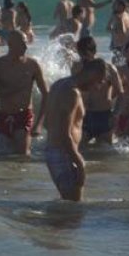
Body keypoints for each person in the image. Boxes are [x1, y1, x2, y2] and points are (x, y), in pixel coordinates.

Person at [43, 58, 106, 201]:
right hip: (64, 154)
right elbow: (66, 133)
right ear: (93, 75)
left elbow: (48, 123)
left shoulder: (58, 85)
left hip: (53, 151)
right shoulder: (72, 93)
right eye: (99, 81)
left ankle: (52, 222)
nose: (98, 87)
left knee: (67, 205)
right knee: (74, 209)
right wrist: (79, 162)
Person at [0, 30, 48, 155]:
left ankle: (23, 174)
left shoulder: (32, 65)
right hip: (4, 115)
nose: (25, 47)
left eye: (25, 43)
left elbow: (47, 94)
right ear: (10, 44)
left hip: (24, 116)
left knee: (23, 154)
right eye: (22, 43)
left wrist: (39, 124)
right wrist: (15, 88)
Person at [72, 36, 125, 146]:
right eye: (80, 54)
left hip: (104, 116)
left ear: (94, 51)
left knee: (103, 154)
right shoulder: (77, 67)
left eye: (85, 55)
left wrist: (116, 114)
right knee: (79, 148)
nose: (83, 58)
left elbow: (121, 94)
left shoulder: (109, 68)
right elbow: (73, 92)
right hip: (85, 115)